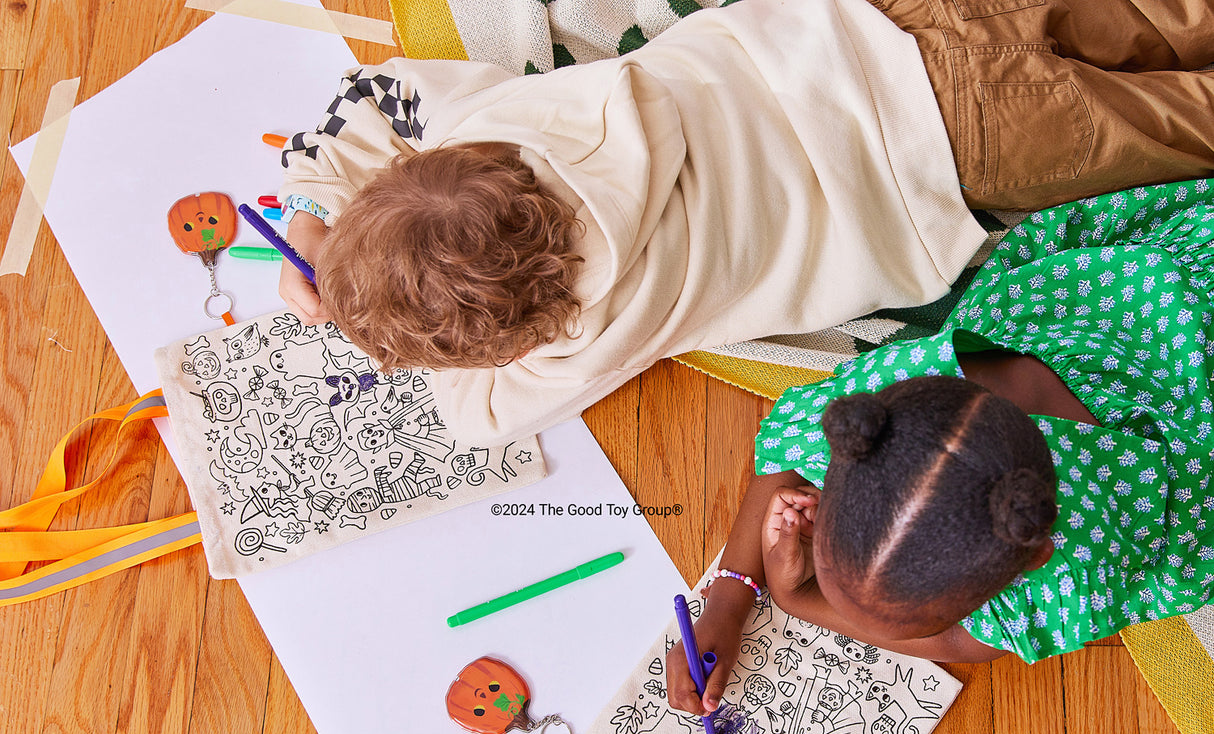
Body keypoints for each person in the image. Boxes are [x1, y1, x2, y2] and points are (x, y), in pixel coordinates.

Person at [277, 0, 1214, 445]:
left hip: (967, 152)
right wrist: (316, 212)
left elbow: (475, 420)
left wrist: (365, 324)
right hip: (882, 24)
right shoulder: (496, 128)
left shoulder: (583, 333)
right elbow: (374, 96)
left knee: (1184, 120)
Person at [667, 178, 1214, 716]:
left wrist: (799, 600)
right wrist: (729, 599)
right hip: (1141, 301)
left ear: (1034, 560)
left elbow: (963, 645)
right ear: (853, 446)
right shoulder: (901, 392)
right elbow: (790, 444)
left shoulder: (1077, 565)